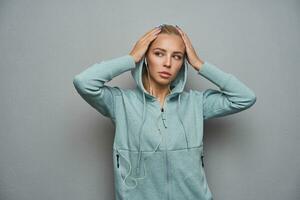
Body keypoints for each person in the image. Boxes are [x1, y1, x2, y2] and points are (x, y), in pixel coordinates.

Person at [73, 24, 256, 200]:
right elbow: (84, 82)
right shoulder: (121, 103)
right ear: (146, 57)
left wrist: (199, 64)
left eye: (177, 56)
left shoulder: (196, 103)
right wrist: (131, 58)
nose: (167, 63)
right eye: (159, 53)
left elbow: (245, 97)